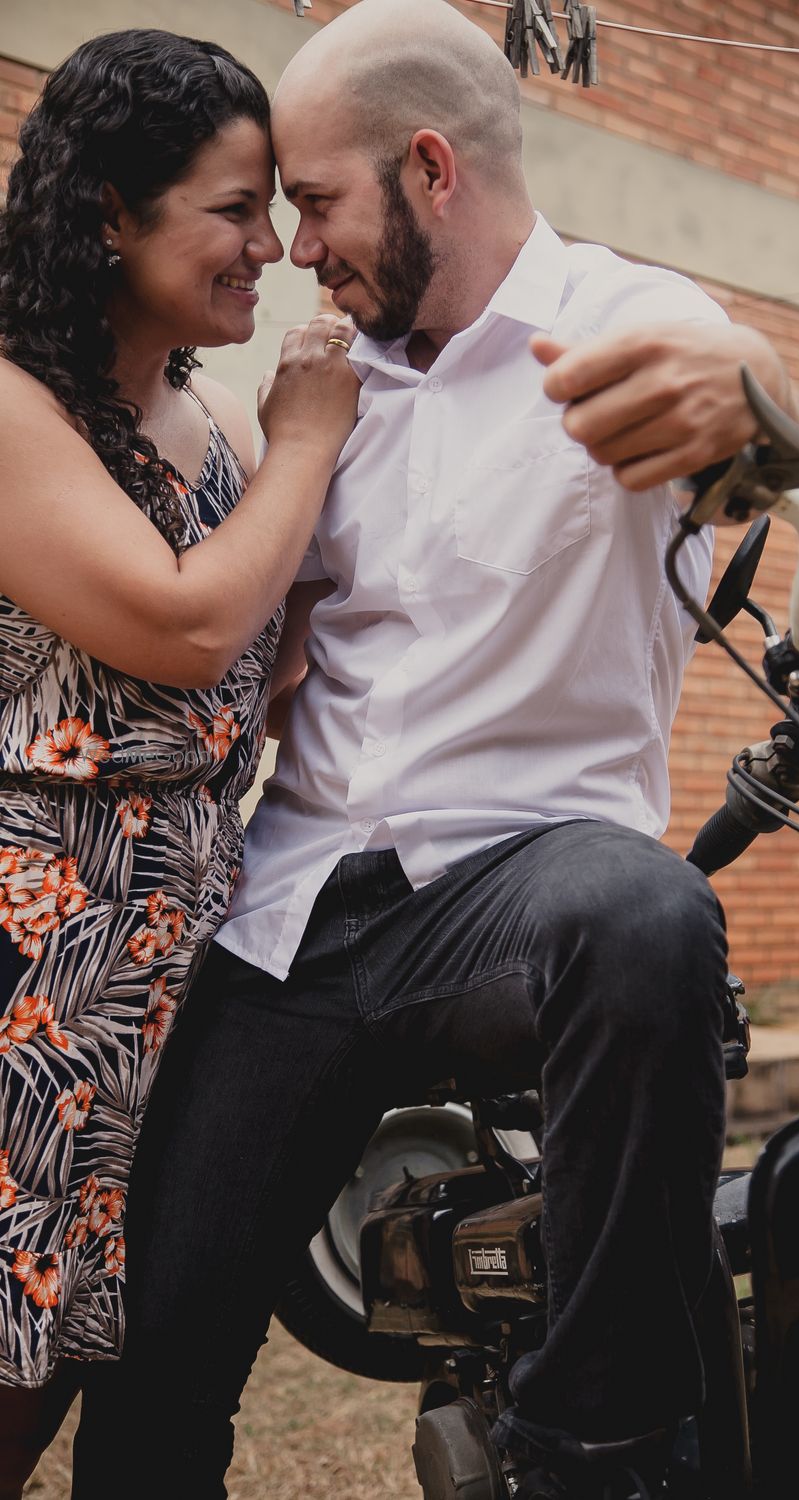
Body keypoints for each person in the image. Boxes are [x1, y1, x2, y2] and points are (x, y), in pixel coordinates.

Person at [73, 4, 799, 1497]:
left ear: (430, 168)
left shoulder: (615, 322)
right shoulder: (322, 386)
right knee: (156, 1366)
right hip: (294, 918)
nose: (296, 245)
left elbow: (737, 380)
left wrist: (753, 386)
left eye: (319, 202)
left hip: (519, 894)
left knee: (647, 914)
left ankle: (590, 1447)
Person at [0, 28, 360, 1498]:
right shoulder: (15, 407)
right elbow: (184, 626)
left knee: (65, 1353)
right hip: (36, 960)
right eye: (232, 208)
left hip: (163, 963)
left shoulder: (205, 420)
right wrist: (311, 446)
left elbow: (251, 677)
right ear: (107, 215)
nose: (270, 246)